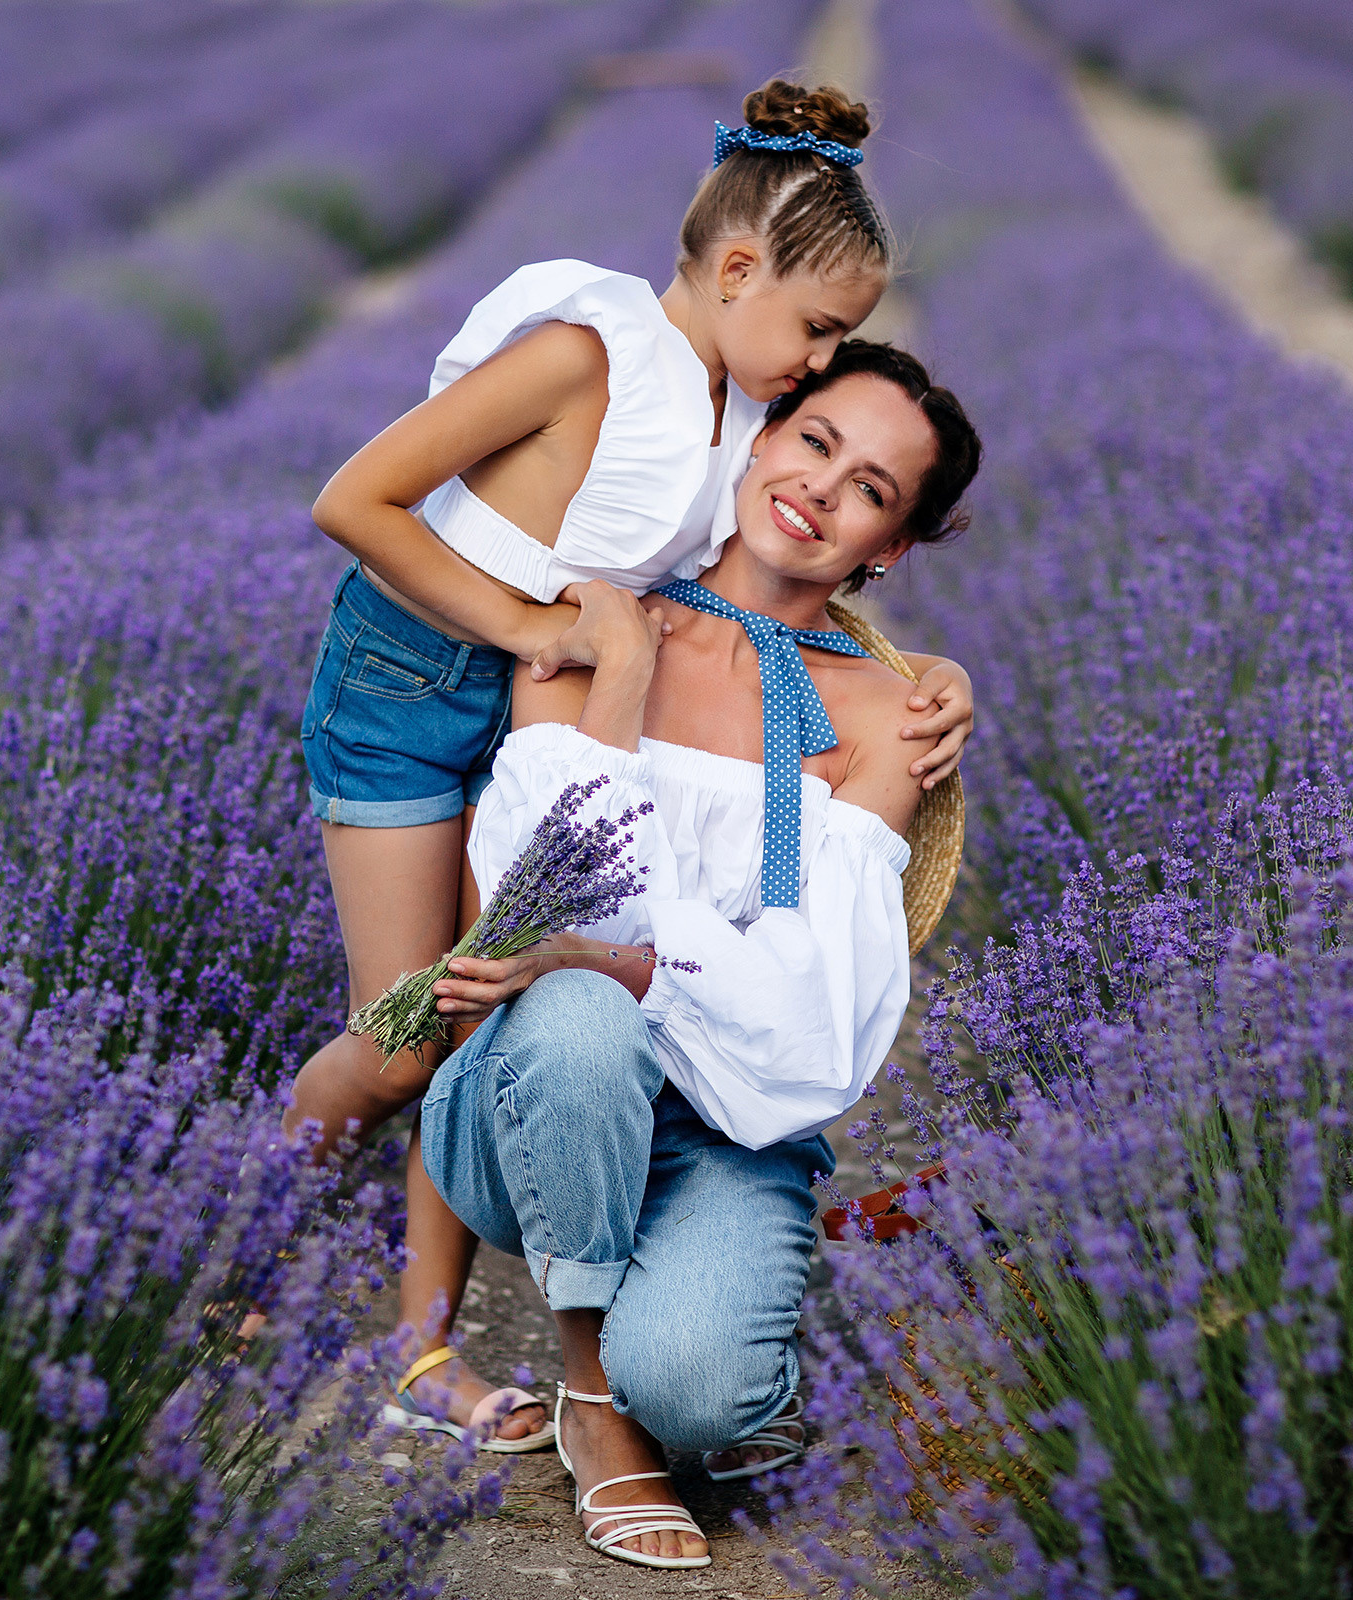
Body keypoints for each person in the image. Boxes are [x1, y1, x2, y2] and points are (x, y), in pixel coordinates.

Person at [289, 82, 980, 1449]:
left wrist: (918, 672)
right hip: (411, 686)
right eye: (822, 330)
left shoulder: (736, 405)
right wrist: (536, 628)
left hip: (538, 693)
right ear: (737, 273)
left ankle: (419, 1353)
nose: (825, 359)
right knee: (405, 1032)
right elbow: (349, 500)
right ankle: (233, 1225)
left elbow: (773, 571)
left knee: (472, 1018)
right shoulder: (587, 351)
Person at [413, 342, 981, 1568]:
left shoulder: (891, 716)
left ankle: (704, 1365)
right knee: (574, 1014)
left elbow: (810, 1015)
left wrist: (615, 954)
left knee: (705, 1393)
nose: (824, 489)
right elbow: (531, 904)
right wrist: (621, 684)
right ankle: (594, 1402)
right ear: (761, 442)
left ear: (887, 548)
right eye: (816, 443)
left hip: (733, 1124)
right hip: (524, 1099)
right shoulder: (592, 623)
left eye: (873, 491)